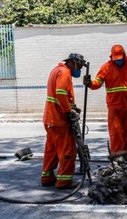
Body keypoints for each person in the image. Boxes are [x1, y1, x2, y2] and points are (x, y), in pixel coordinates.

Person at [83, 44, 127, 160]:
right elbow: (98, 82)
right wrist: (90, 83)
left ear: (124, 56)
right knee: (115, 133)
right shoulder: (106, 67)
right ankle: (116, 155)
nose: (118, 61)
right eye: (116, 59)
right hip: (114, 107)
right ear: (111, 57)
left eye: (120, 59)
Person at [41, 53, 86, 189]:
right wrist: (69, 111)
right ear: (73, 62)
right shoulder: (65, 72)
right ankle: (64, 181)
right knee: (67, 150)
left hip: (50, 119)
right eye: (79, 66)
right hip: (59, 119)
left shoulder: (56, 70)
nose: (79, 69)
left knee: (52, 150)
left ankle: (47, 177)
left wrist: (72, 106)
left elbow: (60, 95)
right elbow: (60, 93)